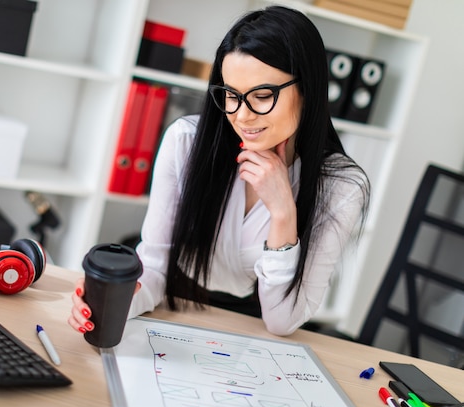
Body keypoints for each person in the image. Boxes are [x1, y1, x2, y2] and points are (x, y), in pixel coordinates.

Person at [68, 5, 370, 336]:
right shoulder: (186, 142)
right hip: (174, 306)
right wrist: (118, 300)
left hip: (259, 329)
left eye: (263, 95)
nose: (241, 116)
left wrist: (283, 211)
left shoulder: (341, 186)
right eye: (231, 95)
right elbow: (155, 270)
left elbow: (283, 321)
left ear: (308, 89)